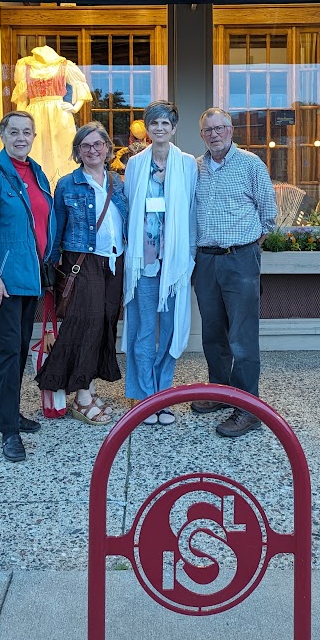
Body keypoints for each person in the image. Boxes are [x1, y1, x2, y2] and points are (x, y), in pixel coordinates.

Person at [0, 111, 56, 463]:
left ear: (34, 136)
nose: (21, 137)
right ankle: (8, 431)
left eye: (27, 132)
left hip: (28, 280)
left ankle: (3, 410)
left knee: (17, 351)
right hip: (1, 283)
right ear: (2, 134)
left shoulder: (36, 174)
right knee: (6, 355)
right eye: (14, 131)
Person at [191, 108, 277, 438]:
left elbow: (269, 213)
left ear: (230, 130)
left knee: (242, 336)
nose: (214, 134)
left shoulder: (251, 164)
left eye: (219, 128)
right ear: (202, 135)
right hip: (206, 261)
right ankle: (220, 391)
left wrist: (247, 247)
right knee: (213, 332)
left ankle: (248, 408)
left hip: (239, 258)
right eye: (207, 129)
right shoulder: (196, 169)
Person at [36, 122, 127, 424]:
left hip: (114, 262)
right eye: (85, 146)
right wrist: (50, 267)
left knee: (104, 324)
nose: (92, 150)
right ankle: (81, 398)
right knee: (85, 324)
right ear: (77, 151)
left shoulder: (118, 181)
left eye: (97, 144)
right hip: (82, 260)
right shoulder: (68, 183)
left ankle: (88, 385)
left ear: (107, 149)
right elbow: (55, 227)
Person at [123, 101, 197, 425]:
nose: (160, 128)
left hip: (175, 263)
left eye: (166, 123)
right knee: (142, 330)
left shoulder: (188, 164)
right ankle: (143, 397)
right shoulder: (136, 164)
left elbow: (192, 211)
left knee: (169, 330)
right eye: (154, 123)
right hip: (144, 263)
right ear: (147, 128)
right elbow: (128, 210)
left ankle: (163, 395)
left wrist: (190, 255)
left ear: (174, 128)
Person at [11, 45, 93, 188]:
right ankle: (35, 185)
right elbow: (22, 98)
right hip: (34, 113)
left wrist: (75, 107)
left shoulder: (64, 65)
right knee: (36, 148)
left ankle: (62, 187)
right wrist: (20, 121)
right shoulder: (25, 66)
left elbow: (80, 85)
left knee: (61, 148)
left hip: (58, 113)